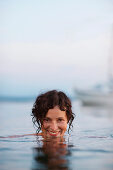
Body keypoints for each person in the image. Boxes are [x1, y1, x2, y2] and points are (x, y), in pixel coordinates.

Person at [1, 90, 74, 138]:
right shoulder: (20, 139)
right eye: (47, 120)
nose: (54, 128)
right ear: (39, 119)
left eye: (60, 120)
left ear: (68, 119)